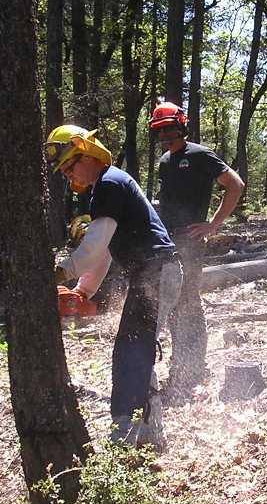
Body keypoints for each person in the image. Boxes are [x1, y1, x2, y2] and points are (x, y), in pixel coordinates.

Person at [45, 124, 182, 449]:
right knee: (136, 353)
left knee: (131, 354)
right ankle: (150, 437)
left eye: (71, 165)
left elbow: (93, 246)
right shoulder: (105, 187)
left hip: (157, 273)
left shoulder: (109, 182)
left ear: (88, 151)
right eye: (64, 170)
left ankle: (125, 439)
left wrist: (61, 272)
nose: (69, 174)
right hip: (152, 274)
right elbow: (104, 251)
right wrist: (83, 291)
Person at [150, 102, 245, 395]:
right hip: (168, 240)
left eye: (170, 128)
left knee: (188, 302)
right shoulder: (166, 161)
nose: (166, 135)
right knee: (172, 303)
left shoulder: (200, 155)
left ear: (182, 126)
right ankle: (183, 364)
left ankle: (190, 370)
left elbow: (235, 185)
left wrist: (213, 224)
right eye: (160, 131)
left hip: (190, 242)